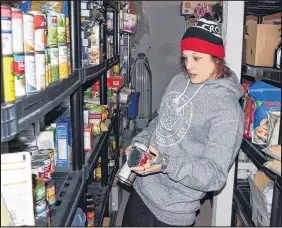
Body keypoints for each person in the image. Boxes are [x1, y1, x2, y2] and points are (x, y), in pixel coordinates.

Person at [122, 13, 244, 227]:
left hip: (174, 210)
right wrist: (140, 141)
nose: (189, 66)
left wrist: (167, 164)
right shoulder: (179, 81)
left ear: (217, 59)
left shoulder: (227, 109)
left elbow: (214, 175)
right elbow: (159, 122)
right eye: (185, 57)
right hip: (141, 191)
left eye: (197, 58)